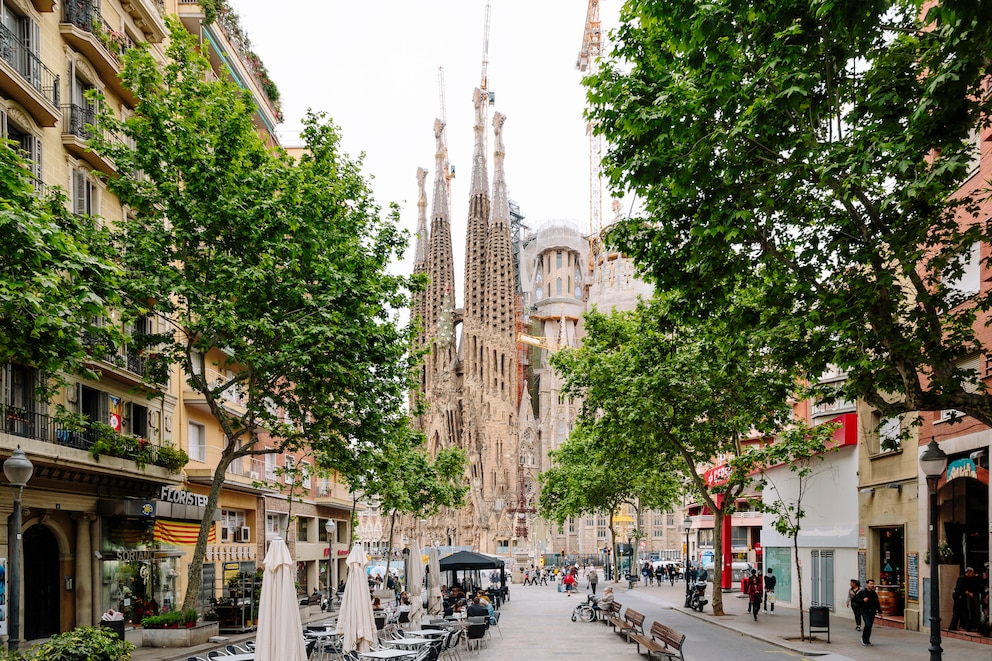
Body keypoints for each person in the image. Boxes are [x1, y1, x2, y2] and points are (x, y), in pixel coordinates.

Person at [949, 566, 980, 631]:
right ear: (968, 572)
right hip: (959, 597)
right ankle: (967, 627)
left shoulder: (966, 578)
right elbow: (959, 589)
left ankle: (954, 626)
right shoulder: (963, 578)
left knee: (958, 612)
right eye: (972, 572)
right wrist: (968, 593)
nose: (973, 574)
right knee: (962, 611)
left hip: (960, 596)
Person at [853, 579, 882, 646]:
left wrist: (880, 611)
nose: (872, 585)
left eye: (873, 584)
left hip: (872, 611)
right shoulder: (862, 592)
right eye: (870, 584)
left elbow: (877, 602)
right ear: (867, 584)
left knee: (869, 626)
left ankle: (867, 640)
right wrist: (863, 600)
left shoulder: (874, 593)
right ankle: (863, 639)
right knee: (867, 624)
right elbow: (855, 599)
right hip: (864, 611)